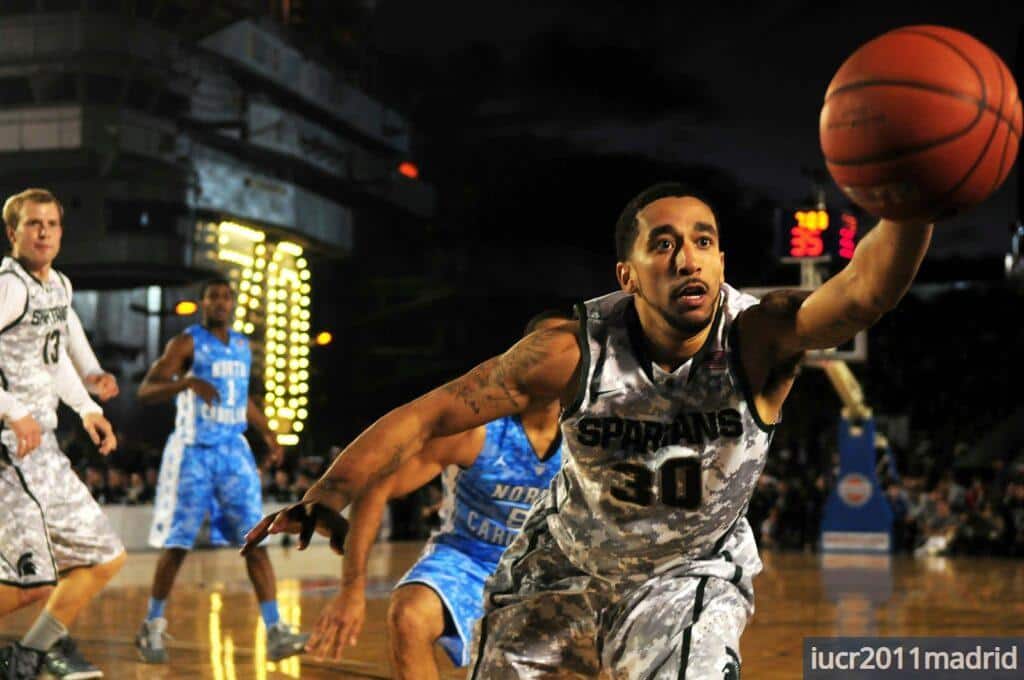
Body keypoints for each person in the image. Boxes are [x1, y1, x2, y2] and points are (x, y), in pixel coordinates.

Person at [246, 182, 935, 678]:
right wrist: (328, 493)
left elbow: (862, 293)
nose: (687, 258)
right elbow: (430, 414)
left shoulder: (759, 337)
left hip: (685, 575)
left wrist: (914, 200)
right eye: (663, 244)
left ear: (722, 264)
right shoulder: (570, 351)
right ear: (628, 275)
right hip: (559, 569)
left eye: (704, 241)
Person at [304, 312, 568, 679]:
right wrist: (352, 589)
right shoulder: (477, 429)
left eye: (566, 346)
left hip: (549, 572)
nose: (553, 355)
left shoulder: (591, 434)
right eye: (541, 346)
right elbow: (377, 486)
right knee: (409, 615)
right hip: (469, 560)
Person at [134, 277, 309, 664]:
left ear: (233, 304)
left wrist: (268, 434)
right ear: (202, 304)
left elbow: (241, 396)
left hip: (233, 451)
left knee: (256, 538)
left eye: (226, 297)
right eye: (213, 297)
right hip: (193, 452)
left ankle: (276, 629)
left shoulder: (244, 345)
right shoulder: (186, 343)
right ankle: (152, 625)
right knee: (177, 545)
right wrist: (187, 382)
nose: (220, 303)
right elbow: (146, 390)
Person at [0, 188, 123, 679]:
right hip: (11, 450)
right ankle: (31, 656)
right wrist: (11, 410)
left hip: (40, 448)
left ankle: (29, 656)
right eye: (33, 224)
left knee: (104, 558)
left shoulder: (56, 286)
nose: (44, 231)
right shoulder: (9, 286)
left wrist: (88, 405)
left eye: (51, 223)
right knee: (32, 580)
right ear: (13, 233)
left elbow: (57, 356)